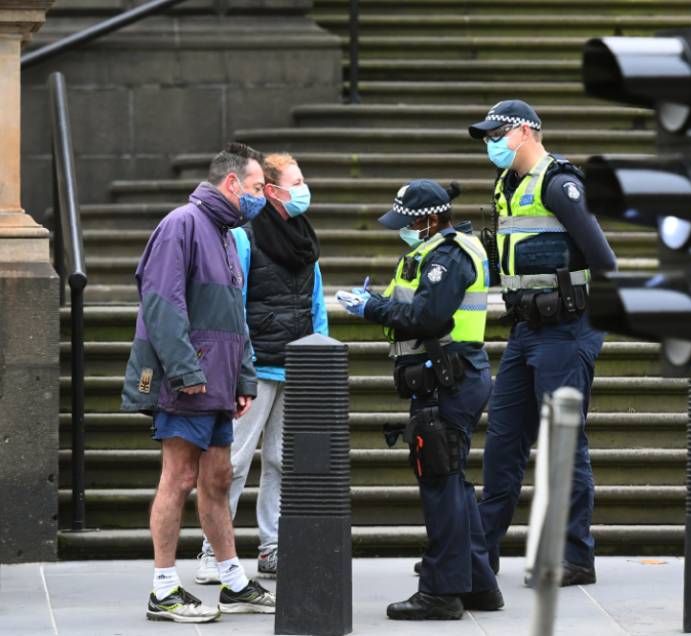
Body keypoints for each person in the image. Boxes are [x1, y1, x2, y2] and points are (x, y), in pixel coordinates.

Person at [120, 142, 276, 623]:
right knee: (180, 477)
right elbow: (162, 304)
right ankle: (164, 589)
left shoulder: (225, 234)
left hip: (216, 382)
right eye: (256, 188)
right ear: (231, 183)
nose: (261, 197)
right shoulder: (182, 225)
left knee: (216, 478)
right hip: (188, 381)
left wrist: (243, 377)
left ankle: (232, 581)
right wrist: (186, 371)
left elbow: (234, 317)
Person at [337, 180, 503, 620]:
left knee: (439, 483)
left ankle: (441, 592)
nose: (402, 230)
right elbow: (412, 304)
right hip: (446, 377)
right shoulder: (436, 250)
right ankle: (479, 585)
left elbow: (428, 316)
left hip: (448, 379)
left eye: (407, 223)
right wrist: (376, 300)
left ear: (430, 219)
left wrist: (370, 308)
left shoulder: (447, 256)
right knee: (451, 482)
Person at [467, 100, 616, 586]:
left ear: (527, 132)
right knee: (503, 442)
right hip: (526, 329)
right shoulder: (508, 185)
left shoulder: (558, 183)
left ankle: (574, 557)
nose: (492, 144)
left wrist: (582, 321)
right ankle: (479, 556)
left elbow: (604, 260)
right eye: (488, 138)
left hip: (566, 329)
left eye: (498, 135)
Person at [193, 153, 328, 584]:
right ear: (271, 190)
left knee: (281, 460)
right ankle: (213, 551)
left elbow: (316, 304)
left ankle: (272, 546)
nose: (304, 189)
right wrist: (241, 367)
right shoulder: (245, 237)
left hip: (296, 365)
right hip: (258, 367)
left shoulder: (304, 238)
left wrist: (318, 355)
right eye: (297, 182)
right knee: (233, 461)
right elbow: (235, 303)